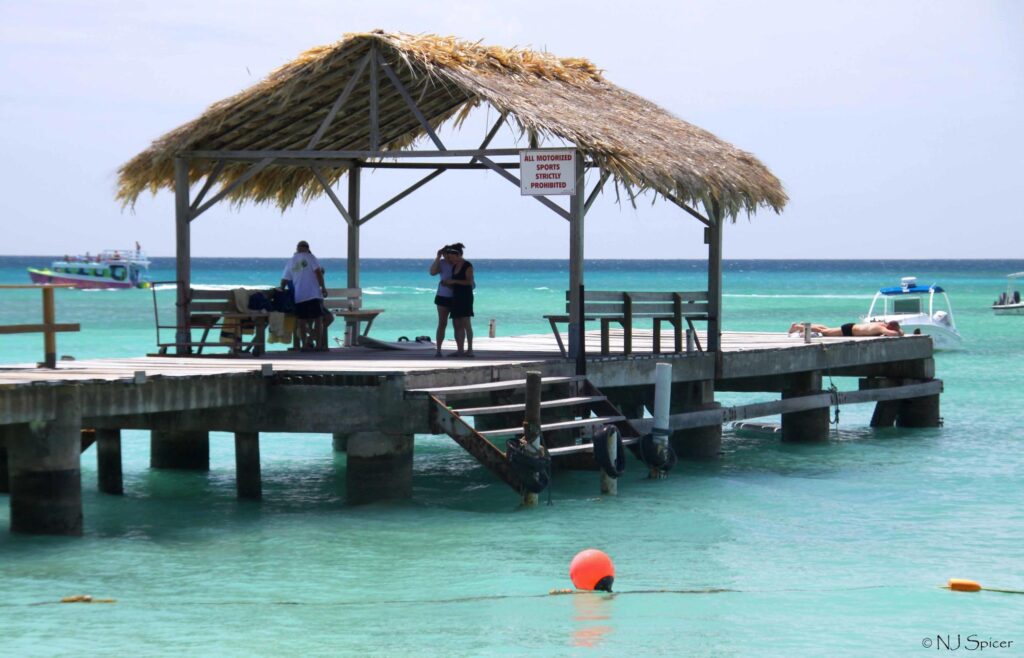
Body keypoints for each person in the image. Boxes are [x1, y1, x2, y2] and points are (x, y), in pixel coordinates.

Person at [281, 240, 328, 351]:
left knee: (302, 321)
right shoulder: (310, 257)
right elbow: (318, 273)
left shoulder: (291, 261)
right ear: (307, 248)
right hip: (313, 294)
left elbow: (285, 279)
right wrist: (323, 287)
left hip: (300, 296)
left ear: (297, 248)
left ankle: (304, 345)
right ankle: (319, 345)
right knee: (318, 319)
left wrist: (281, 290)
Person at [442, 243, 475, 357]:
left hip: (465, 297)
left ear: (458, 255)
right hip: (455, 296)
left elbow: (469, 283)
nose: (450, 259)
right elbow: (454, 284)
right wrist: (447, 284)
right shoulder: (454, 266)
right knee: (456, 324)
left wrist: (454, 282)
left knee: (466, 324)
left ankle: (470, 350)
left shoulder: (467, 265)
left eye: (451, 257)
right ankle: (459, 350)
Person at [429, 244, 455, 357]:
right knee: (442, 323)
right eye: (445, 254)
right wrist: (438, 257)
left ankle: (461, 350)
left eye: (448, 254)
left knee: (458, 324)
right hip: (442, 296)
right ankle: (438, 350)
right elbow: (432, 272)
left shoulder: (459, 263)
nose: (447, 256)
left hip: (457, 297)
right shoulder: (442, 263)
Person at [788, 321, 903, 338]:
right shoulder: (881, 327)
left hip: (851, 328)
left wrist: (899, 330)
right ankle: (798, 327)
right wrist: (899, 332)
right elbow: (893, 334)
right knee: (824, 333)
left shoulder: (883, 324)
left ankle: (803, 324)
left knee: (826, 329)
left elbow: (895, 332)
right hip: (849, 330)